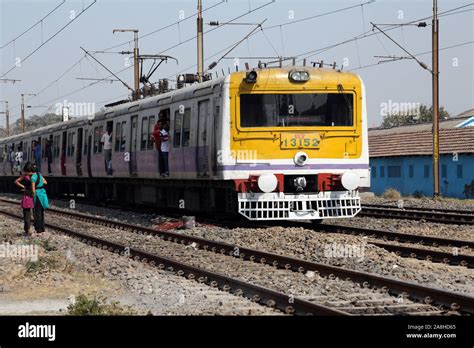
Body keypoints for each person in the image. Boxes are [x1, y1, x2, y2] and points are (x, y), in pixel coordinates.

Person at [14, 162, 35, 236]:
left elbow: (16, 181)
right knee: (36, 214)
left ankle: (27, 230)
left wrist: (23, 186)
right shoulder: (36, 175)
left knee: (27, 214)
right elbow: (45, 182)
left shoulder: (25, 176)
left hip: (27, 196)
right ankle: (37, 229)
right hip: (35, 196)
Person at [31, 164, 49, 234]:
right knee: (41, 213)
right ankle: (43, 228)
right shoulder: (40, 175)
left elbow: (33, 190)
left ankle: (38, 229)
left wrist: (33, 197)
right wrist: (41, 183)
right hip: (43, 195)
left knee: (37, 213)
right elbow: (45, 182)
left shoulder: (33, 177)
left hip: (37, 195)